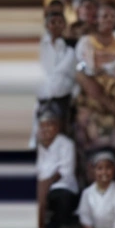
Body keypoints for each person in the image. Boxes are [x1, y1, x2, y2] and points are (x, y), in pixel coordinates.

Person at [73, 6, 115, 163]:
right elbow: (83, 72)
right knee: (94, 150)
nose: (109, 19)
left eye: (112, 16)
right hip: (95, 101)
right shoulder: (86, 41)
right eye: (104, 16)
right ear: (96, 19)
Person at [36, 110, 78, 228]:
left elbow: (64, 171)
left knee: (63, 201)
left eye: (50, 125)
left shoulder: (66, 144)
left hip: (61, 186)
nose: (46, 129)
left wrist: (46, 184)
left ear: (58, 126)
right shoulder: (38, 144)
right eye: (43, 125)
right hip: (41, 186)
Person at [36, 10, 77, 146]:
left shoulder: (69, 49)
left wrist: (74, 95)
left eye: (60, 22)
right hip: (40, 98)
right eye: (53, 22)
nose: (56, 25)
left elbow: (74, 75)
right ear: (47, 25)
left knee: (60, 134)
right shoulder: (39, 46)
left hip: (62, 99)